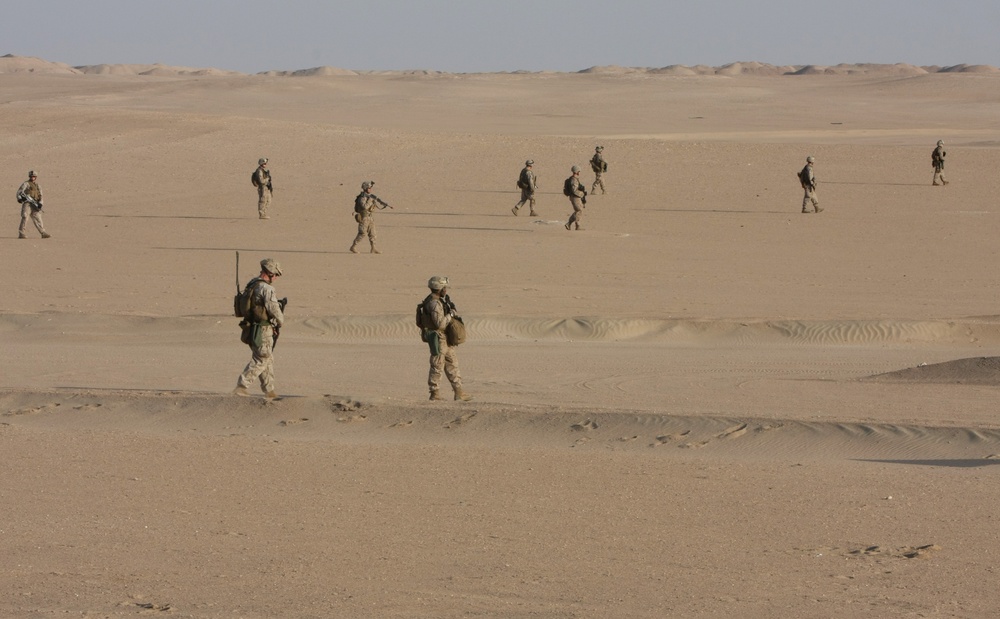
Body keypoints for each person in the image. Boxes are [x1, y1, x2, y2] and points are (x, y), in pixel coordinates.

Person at [234, 258, 285, 399]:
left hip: (250, 327)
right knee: (262, 359)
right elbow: (273, 308)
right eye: (276, 275)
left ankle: (269, 391)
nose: (276, 278)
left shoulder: (252, 284)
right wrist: (280, 321)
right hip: (262, 329)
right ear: (270, 273)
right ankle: (242, 386)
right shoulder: (266, 288)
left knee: (267, 359)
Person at [418, 276, 471, 401]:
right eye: (444, 287)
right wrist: (451, 314)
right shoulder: (434, 303)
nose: (445, 290)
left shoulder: (439, 300)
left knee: (453, 364)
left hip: (445, 338)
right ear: (438, 288)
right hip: (438, 338)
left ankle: (459, 392)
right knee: (437, 366)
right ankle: (434, 394)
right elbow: (440, 324)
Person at [349, 180, 392, 254]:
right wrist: (370, 200)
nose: (370, 189)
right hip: (364, 218)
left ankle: (373, 248)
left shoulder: (369, 196)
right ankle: (353, 247)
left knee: (373, 233)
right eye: (369, 188)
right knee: (362, 233)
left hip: (370, 217)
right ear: (365, 188)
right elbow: (365, 207)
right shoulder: (362, 197)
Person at [16, 170, 51, 239]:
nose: (33, 178)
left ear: (36, 177)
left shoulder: (38, 186)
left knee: (38, 219)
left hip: (35, 204)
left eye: (34, 176)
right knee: (25, 217)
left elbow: (40, 196)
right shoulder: (26, 184)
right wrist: (20, 199)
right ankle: (21, 233)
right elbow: (19, 191)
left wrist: (40, 204)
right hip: (27, 203)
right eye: (31, 176)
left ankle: (43, 233)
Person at [564, 165, 587, 230]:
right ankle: (572, 224)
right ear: (577, 171)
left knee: (578, 211)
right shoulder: (574, 180)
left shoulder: (574, 179)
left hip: (575, 197)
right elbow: (574, 190)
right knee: (579, 211)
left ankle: (575, 225)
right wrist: (582, 194)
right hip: (575, 197)